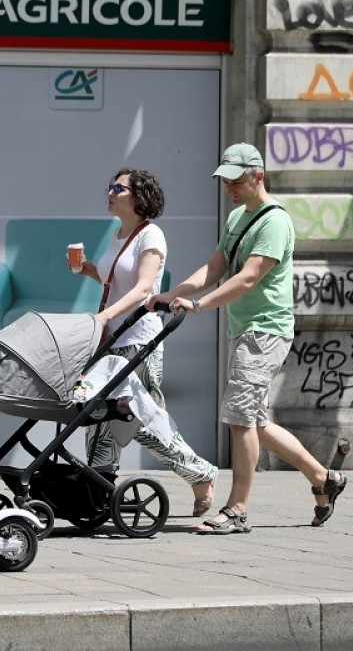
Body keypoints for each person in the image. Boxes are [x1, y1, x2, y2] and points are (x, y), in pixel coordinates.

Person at [148, 143, 347, 534]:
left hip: (265, 330)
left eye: (236, 182)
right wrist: (175, 293)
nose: (230, 189)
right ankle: (324, 478)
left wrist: (199, 305)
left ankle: (237, 510)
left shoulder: (274, 222)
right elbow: (217, 265)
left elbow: (249, 276)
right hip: (246, 330)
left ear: (258, 176)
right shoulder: (239, 216)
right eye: (225, 182)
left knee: (239, 418)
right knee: (254, 422)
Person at [71, 168, 218, 517]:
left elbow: (141, 289)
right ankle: (97, 488)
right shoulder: (118, 234)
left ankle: (200, 473)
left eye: (117, 188)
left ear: (138, 196)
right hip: (112, 340)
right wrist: (87, 269)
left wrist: (104, 317)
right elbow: (115, 280)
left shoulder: (150, 235)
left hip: (139, 339)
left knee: (141, 417)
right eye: (109, 186)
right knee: (98, 415)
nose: (109, 192)